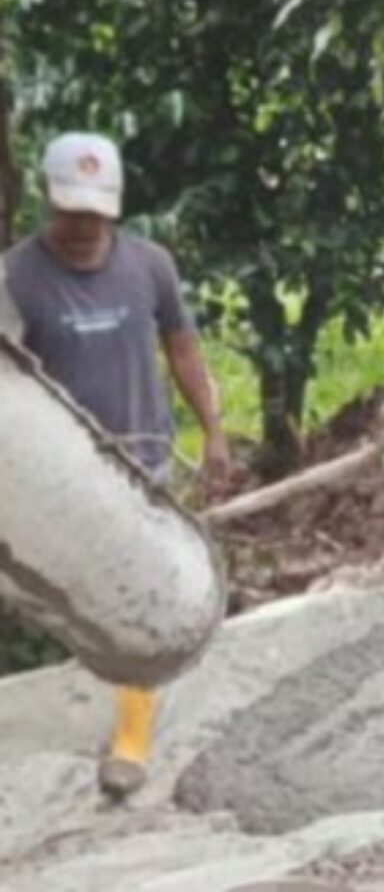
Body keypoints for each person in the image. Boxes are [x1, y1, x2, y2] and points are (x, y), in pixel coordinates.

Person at [2, 131, 230, 799]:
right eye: (70, 211)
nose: (82, 226)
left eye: (95, 213)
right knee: (61, 596)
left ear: (116, 206)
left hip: (142, 465)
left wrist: (214, 430)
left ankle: (129, 742)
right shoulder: (15, 277)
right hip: (60, 480)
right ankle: (55, 714)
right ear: (48, 198)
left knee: (141, 594)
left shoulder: (149, 266)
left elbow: (184, 351)